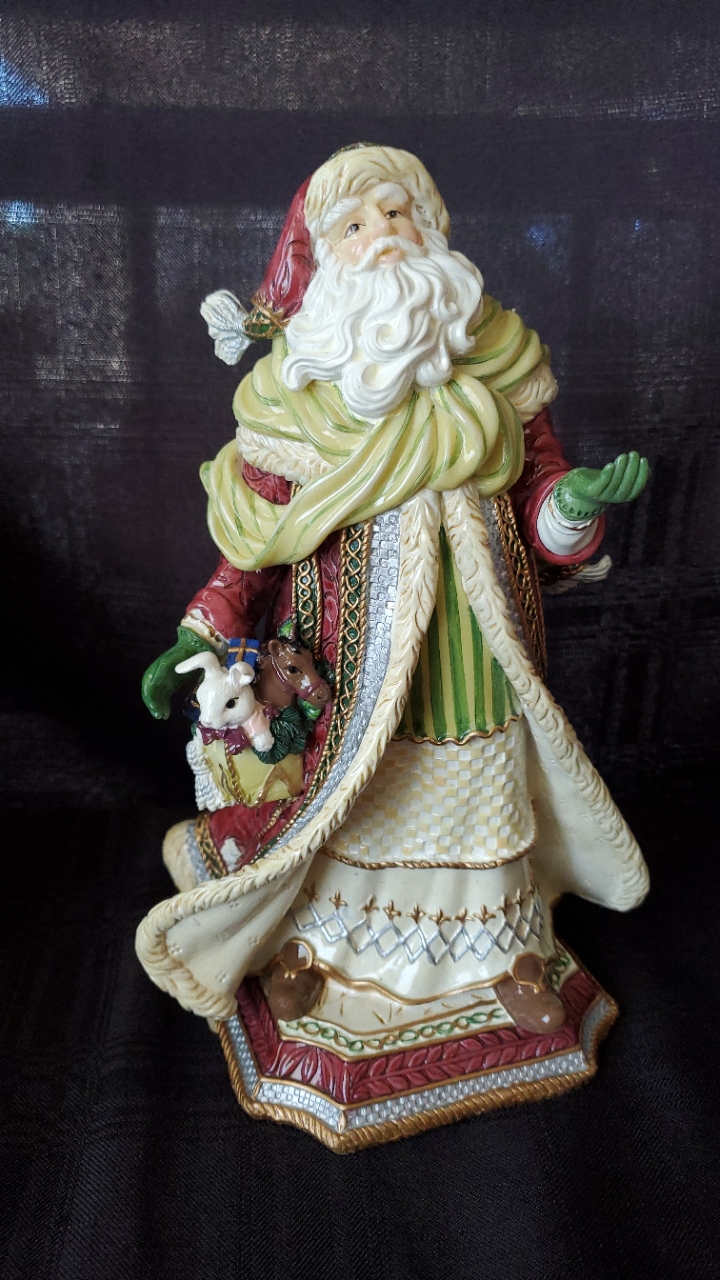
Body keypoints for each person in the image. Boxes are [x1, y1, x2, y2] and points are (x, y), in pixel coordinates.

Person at [137, 145, 649, 1146]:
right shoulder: (296, 391)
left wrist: (575, 507)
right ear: (321, 256)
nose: (385, 236)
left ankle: (502, 960)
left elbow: (544, 506)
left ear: (433, 228)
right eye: (356, 224)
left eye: (399, 212)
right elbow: (252, 542)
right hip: (347, 665)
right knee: (352, 807)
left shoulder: (498, 361)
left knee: (481, 807)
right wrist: (202, 628)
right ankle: (323, 951)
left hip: (479, 658)